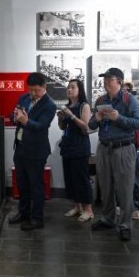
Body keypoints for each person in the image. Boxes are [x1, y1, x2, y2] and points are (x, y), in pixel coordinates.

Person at [88, 68, 139, 241]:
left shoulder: (130, 100)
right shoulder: (101, 100)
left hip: (123, 149)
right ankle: (108, 219)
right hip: (104, 148)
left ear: (119, 81)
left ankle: (125, 225)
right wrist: (97, 118)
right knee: (106, 187)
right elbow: (91, 125)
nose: (105, 83)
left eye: (109, 79)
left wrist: (118, 118)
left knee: (124, 189)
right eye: (104, 79)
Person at [8, 72, 57, 231]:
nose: (33, 93)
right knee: (22, 184)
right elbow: (12, 115)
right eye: (30, 90)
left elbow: (41, 126)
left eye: (36, 90)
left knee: (36, 186)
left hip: (36, 151)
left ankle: (37, 219)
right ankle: (23, 213)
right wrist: (15, 116)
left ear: (44, 87)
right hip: (20, 147)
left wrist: (26, 121)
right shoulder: (24, 98)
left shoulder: (50, 105)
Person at [58, 79, 93, 222]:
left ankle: (88, 210)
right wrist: (61, 119)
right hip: (67, 145)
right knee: (71, 178)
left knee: (82, 179)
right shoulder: (67, 106)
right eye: (68, 87)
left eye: (73, 87)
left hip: (79, 146)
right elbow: (62, 127)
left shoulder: (84, 105)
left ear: (80, 90)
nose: (69, 89)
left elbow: (85, 127)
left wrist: (71, 115)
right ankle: (77, 206)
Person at [122, 81, 139, 220]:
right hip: (122, 144)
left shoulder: (135, 103)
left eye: (127, 90)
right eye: (122, 90)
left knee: (136, 176)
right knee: (122, 177)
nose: (124, 92)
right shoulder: (119, 103)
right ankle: (123, 205)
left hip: (133, 144)